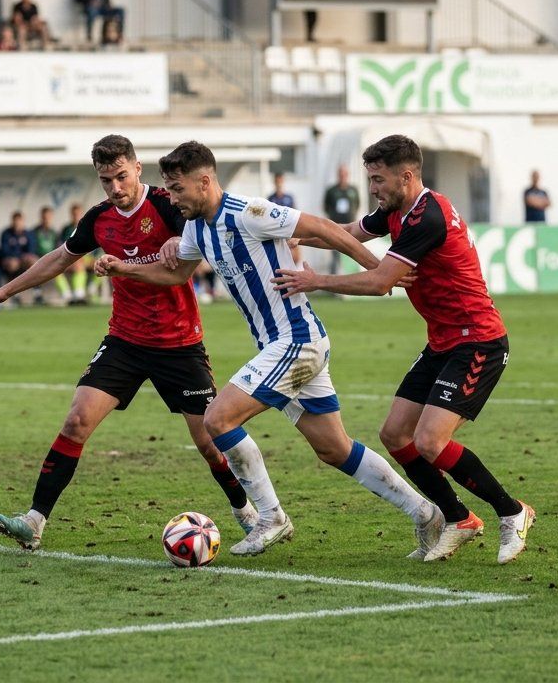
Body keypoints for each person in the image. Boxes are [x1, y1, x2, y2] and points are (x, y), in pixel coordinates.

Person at [96, 141, 441, 558]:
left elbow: (323, 229)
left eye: (176, 188)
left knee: (218, 418)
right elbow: (175, 275)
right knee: (334, 448)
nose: (170, 197)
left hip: (295, 340)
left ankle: (271, 516)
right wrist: (124, 268)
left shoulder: (248, 212)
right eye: (168, 188)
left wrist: (379, 268)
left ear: (204, 182)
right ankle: (426, 514)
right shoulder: (194, 227)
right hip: (286, 344)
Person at [0, 135, 256, 550]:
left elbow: (189, 253)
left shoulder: (168, 205)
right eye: (106, 180)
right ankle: (34, 522)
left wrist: (177, 243)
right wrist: (6, 291)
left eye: (121, 176)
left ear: (137, 168)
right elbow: (59, 258)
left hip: (179, 343)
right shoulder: (99, 218)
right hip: (125, 340)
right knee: (77, 421)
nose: (115, 188)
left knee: (209, 444)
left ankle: (246, 511)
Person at [272, 135, 535, 564]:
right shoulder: (397, 209)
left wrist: (317, 281)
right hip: (444, 342)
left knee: (430, 440)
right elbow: (349, 233)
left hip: (478, 342)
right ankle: (459, 518)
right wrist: (287, 230)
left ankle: (512, 511)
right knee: (395, 434)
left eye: (377, 180)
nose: (372, 188)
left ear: (406, 176)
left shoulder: (426, 217)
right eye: (369, 179)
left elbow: (380, 282)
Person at [322, 165, 361, 275]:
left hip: (351, 227)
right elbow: (326, 206)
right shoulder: (331, 190)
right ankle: (333, 278)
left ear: (347, 175)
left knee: (353, 251)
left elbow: (357, 204)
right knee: (335, 252)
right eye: (341, 174)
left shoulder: (353, 190)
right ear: (338, 175)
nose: (342, 176)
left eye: (344, 174)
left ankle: (354, 277)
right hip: (336, 227)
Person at [58, 203, 92, 305]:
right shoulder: (66, 229)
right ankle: (69, 296)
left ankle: (90, 291)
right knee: (55, 269)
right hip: (71, 258)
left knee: (105, 264)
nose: (75, 216)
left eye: (77, 214)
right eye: (73, 214)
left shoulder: (87, 227)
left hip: (87, 257)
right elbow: (61, 246)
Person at [0, 211, 35, 292]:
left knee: (34, 261)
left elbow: (31, 249)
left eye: (19, 221)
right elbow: (5, 250)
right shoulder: (6, 233)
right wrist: (17, 257)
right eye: (15, 220)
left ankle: (37, 292)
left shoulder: (28, 234)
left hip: (23, 259)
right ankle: (14, 293)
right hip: (9, 260)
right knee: (13, 264)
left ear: (23, 221)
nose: (17, 223)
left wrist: (21, 257)